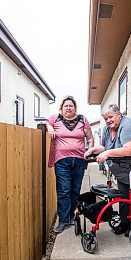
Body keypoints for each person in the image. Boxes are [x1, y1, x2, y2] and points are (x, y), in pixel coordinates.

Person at [85, 104, 131, 235]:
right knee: (123, 198)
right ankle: (124, 223)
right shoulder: (107, 129)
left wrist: (108, 153)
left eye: (110, 117)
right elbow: (105, 147)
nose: (108, 120)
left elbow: (129, 149)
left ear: (119, 115)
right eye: (106, 118)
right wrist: (93, 150)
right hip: (123, 174)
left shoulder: (128, 126)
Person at [47, 96, 94, 233]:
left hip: (79, 160)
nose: (68, 108)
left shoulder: (82, 120)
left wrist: (89, 151)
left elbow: (90, 138)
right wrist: (49, 128)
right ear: (61, 108)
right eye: (66, 106)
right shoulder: (55, 119)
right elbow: (46, 122)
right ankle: (63, 221)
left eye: (71, 106)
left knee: (75, 190)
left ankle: (71, 215)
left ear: (75, 108)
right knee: (63, 191)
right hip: (61, 161)